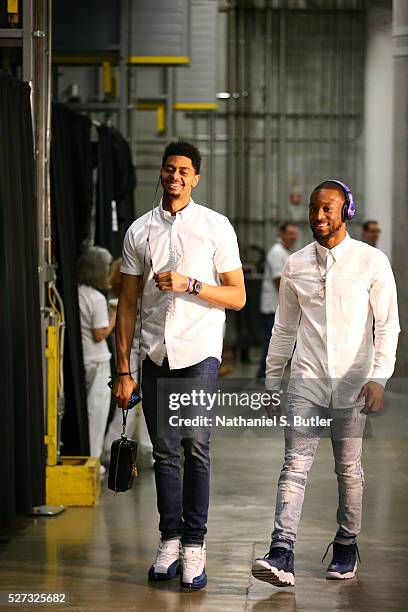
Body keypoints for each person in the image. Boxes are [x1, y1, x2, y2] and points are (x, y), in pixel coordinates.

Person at [252, 180, 399, 586]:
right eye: (314, 209)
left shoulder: (371, 262)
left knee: (348, 470)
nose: (318, 216)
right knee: (294, 467)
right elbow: (283, 329)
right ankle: (282, 551)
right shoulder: (296, 264)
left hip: (353, 386)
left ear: (345, 211)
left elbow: (387, 326)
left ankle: (347, 544)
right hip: (306, 381)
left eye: (327, 209)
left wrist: (379, 378)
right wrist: (271, 384)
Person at [112, 141, 245, 591]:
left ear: (196, 178)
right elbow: (127, 305)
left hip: (199, 352)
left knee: (196, 446)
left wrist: (190, 284)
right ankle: (169, 540)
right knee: (165, 452)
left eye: (185, 170)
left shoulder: (215, 227)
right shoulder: (139, 231)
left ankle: (194, 545)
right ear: (162, 174)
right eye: (170, 169)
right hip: (154, 354)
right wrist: (123, 370)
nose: (176, 176)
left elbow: (237, 296)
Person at [77, 246, 116, 473]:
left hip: (82, 358)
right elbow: (99, 333)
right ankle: (93, 459)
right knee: (97, 412)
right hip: (98, 360)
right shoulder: (97, 298)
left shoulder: (77, 293)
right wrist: (114, 317)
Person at [257, 222, 298, 378]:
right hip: (273, 307)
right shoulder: (277, 252)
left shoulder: (286, 252)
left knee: (276, 343)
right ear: (281, 234)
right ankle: (263, 375)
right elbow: (278, 280)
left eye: (295, 233)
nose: (293, 237)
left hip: (280, 307)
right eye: (290, 233)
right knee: (271, 344)